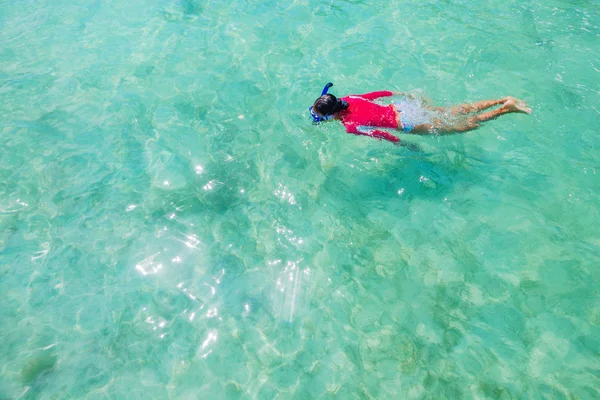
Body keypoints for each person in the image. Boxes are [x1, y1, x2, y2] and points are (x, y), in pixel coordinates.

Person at [309, 83, 531, 143]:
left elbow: (382, 135)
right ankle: (502, 99)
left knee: (458, 127)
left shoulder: (350, 127)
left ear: (331, 115)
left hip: (406, 122)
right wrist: (403, 93)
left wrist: (403, 144)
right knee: (452, 111)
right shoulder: (349, 98)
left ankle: (505, 109)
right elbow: (378, 93)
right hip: (403, 107)